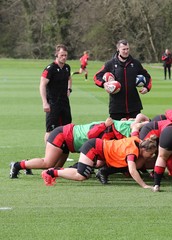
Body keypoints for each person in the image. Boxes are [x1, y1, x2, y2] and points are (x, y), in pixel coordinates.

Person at [9, 117, 146, 178]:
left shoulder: (113, 132)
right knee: (48, 163)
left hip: (68, 142)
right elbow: (91, 135)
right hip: (62, 135)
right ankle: (16, 165)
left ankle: (27, 166)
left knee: (56, 168)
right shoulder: (104, 128)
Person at [41, 135, 158, 188]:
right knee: (81, 176)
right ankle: (51, 173)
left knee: (84, 171)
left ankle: (56, 171)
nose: (151, 156)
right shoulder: (132, 152)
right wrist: (144, 185)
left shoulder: (138, 140)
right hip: (94, 148)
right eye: (151, 153)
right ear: (143, 149)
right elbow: (132, 170)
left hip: (98, 148)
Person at [94, 39, 152, 120]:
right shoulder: (110, 64)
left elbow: (147, 76)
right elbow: (97, 77)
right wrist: (104, 84)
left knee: (134, 130)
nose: (126, 51)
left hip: (134, 106)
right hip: (116, 107)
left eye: (127, 49)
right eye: (123, 49)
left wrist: (147, 87)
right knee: (116, 131)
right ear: (118, 49)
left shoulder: (136, 63)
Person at [40, 44, 72, 144]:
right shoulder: (50, 68)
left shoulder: (67, 67)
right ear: (56, 55)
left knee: (66, 129)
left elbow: (69, 78)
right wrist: (45, 102)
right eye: (62, 55)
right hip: (53, 104)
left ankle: (62, 153)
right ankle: (48, 156)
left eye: (65, 55)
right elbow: (42, 85)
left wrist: (69, 89)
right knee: (50, 130)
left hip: (64, 103)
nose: (64, 57)